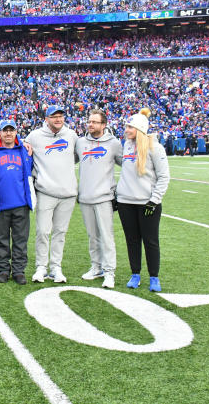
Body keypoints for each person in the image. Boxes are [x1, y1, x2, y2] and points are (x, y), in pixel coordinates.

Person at [117, 109, 170, 292]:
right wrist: (119, 195)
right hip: (126, 203)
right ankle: (135, 274)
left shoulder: (155, 147)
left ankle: (154, 277)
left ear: (139, 129)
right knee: (132, 240)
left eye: (130, 126)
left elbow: (164, 177)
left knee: (151, 241)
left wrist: (154, 201)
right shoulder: (126, 145)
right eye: (126, 126)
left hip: (148, 203)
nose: (126, 129)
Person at [25, 105, 78, 283]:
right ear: (46, 119)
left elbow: (76, 157)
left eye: (61, 116)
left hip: (68, 193)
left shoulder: (71, 136)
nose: (58, 119)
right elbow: (23, 149)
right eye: (54, 116)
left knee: (60, 232)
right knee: (42, 231)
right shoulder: (35, 136)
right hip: (45, 191)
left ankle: (56, 267)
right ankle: (41, 267)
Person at [75, 109, 123, 289]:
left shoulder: (114, 143)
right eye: (89, 121)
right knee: (92, 236)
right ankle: (96, 267)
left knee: (107, 236)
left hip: (104, 197)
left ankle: (109, 272)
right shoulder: (80, 142)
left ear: (104, 125)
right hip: (85, 197)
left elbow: (127, 164)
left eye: (95, 122)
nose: (90, 124)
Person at [0, 119, 34, 285]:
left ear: (16, 132)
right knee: (1, 239)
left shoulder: (24, 151)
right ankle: (4, 269)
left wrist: (26, 143)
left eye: (11, 130)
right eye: (5, 130)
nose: (8, 133)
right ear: (0, 133)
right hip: (0, 205)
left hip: (21, 204)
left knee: (20, 240)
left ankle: (19, 270)